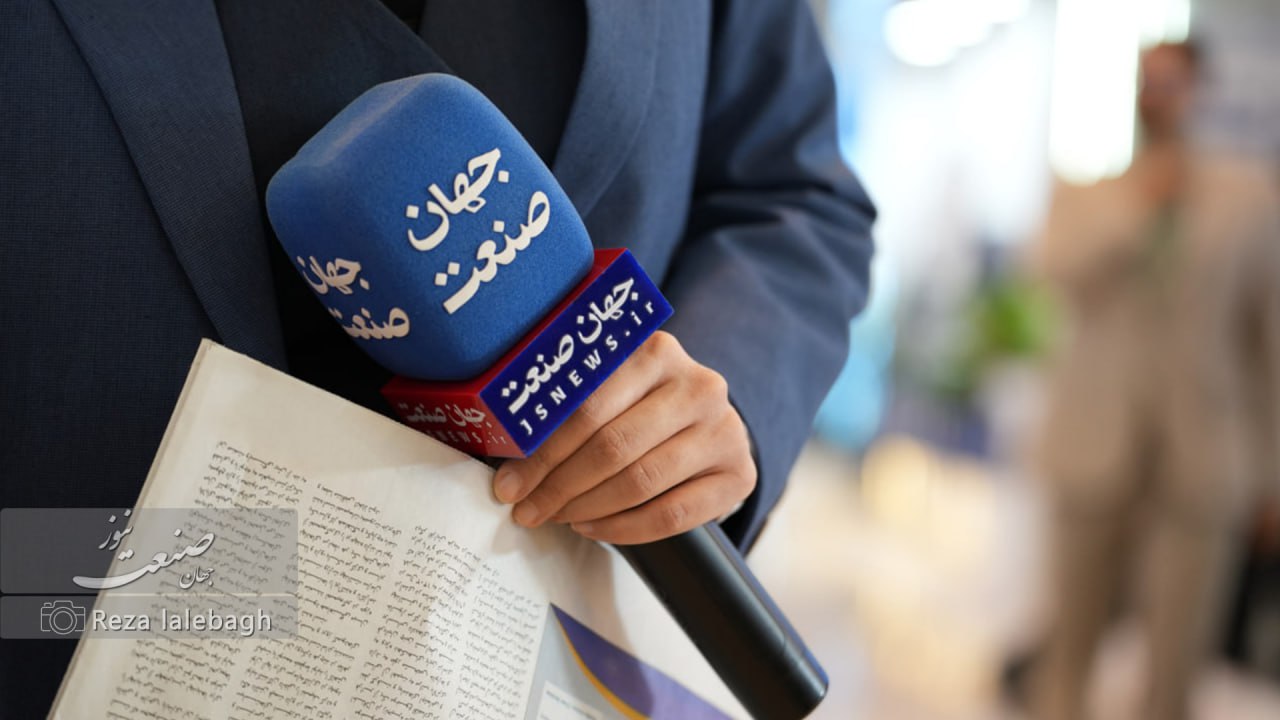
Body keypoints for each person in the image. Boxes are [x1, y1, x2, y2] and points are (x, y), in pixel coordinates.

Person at [0, 0, 874, 715]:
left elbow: (789, 190)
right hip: (106, 605)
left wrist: (702, 418)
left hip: (557, 626)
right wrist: (36, 581)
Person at [1030, 40, 1280, 720]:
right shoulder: (1088, 193)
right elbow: (1053, 271)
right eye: (1151, 81)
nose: (1161, 96)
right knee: (1068, 646)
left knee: (1178, 661)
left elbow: (1267, 344)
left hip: (1202, 456)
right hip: (1094, 443)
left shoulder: (1249, 200)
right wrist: (1140, 207)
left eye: (1175, 82)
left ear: (1201, 91)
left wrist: (1270, 475)